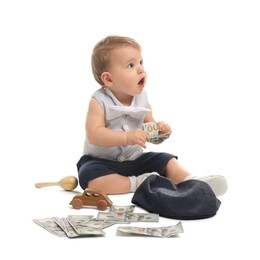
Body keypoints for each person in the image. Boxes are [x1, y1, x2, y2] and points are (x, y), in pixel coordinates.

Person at [77, 35, 228, 197]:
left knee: (166, 160)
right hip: (101, 162)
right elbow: (94, 134)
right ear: (108, 78)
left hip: (135, 159)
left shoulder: (142, 100)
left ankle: (192, 181)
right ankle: (139, 182)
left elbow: (151, 133)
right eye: (130, 65)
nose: (140, 69)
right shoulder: (98, 101)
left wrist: (160, 132)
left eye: (140, 63)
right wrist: (127, 137)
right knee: (90, 177)